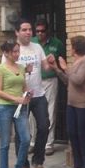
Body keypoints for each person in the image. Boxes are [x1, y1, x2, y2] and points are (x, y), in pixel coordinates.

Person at [14, 19, 55, 168]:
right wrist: (24, 70)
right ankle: (23, 166)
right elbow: (7, 73)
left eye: (29, 29)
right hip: (21, 98)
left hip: (38, 94)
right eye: (24, 30)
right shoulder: (13, 50)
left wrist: (50, 62)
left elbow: (45, 67)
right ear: (17, 32)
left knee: (44, 126)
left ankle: (38, 161)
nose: (28, 32)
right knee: (22, 133)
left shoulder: (37, 47)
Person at [52, 35, 85, 168]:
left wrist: (65, 68)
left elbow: (77, 80)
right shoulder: (76, 62)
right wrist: (57, 69)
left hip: (83, 104)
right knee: (72, 133)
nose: (70, 49)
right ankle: (78, 165)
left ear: (75, 48)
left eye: (71, 46)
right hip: (71, 104)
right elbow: (68, 81)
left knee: (83, 134)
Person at [0, 40, 32, 168]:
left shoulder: (21, 68)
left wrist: (27, 94)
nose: (17, 54)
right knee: (5, 143)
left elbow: (24, 86)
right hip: (4, 108)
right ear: (6, 53)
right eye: (14, 52)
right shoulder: (0, 69)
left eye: (18, 51)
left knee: (26, 138)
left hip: (20, 108)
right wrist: (16, 98)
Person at [31, 18, 65, 156]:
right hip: (35, 80)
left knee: (50, 111)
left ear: (47, 31)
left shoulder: (57, 44)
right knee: (32, 113)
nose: (40, 33)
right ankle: (33, 142)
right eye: (37, 31)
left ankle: (48, 143)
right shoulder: (31, 42)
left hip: (50, 79)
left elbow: (62, 61)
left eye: (42, 31)